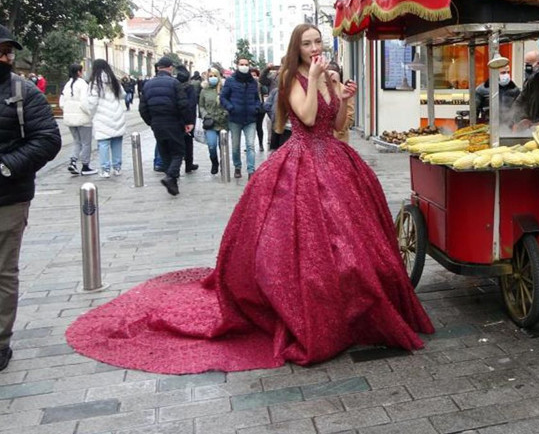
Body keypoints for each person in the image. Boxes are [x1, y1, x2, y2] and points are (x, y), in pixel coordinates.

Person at [65, 23, 433, 374]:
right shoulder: (293, 78)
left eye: (318, 41)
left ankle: (352, 308)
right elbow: (303, 118)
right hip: (302, 160)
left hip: (335, 159)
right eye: (307, 43)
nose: (314, 48)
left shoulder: (328, 77)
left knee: (350, 240)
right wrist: (319, 79)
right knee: (306, 240)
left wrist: (342, 98)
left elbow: (335, 127)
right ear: (296, 49)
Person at [0, 24, 61, 371]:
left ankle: (0, 342)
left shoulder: (22, 93)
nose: (5, 57)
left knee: (2, 272)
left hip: (8, 197)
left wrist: (6, 166)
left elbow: (48, 139)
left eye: (8, 51)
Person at [139, 56, 189, 195]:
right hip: (173, 121)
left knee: (165, 152)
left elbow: (142, 108)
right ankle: (170, 177)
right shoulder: (174, 83)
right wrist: (187, 121)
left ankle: (172, 182)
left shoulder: (147, 85)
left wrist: (151, 121)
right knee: (178, 152)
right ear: (170, 67)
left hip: (157, 123)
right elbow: (183, 104)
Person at [220, 57, 261, 179]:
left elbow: (256, 99)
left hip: (250, 118)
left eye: (246, 64)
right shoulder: (230, 81)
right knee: (235, 146)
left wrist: (256, 108)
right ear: (237, 65)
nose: (244, 66)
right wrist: (231, 107)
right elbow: (223, 98)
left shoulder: (253, 82)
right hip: (235, 118)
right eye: (241, 64)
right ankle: (237, 167)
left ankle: (251, 170)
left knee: (250, 145)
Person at [85, 59, 127, 178]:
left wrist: (91, 114)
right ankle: (117, 167)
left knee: (103, 143)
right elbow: (122, 95)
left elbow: (92, 102)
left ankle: (105, 169)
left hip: (101, 115)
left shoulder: (94, 83)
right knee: (116, 141)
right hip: (117, 114)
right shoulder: (114, 80)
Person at [59, 64, 96, 176]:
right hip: (83, 118)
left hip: (70, 118)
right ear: (79, 72)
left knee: (77, 142)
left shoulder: (67, 85)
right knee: (86, 143)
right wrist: (90, 114)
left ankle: (73, 161)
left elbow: (62, 102)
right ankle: (85, 166)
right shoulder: (82, 84)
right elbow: (85, 102)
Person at [198, 67, 228, 174]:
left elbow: (228, 103)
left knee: (223, 145)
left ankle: (224, 164)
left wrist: (225, 113)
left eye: (215, 76)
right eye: (210, 76)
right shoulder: (204, 91)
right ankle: (214, 162)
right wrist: (205, 115)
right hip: (210, 122)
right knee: (212, 145)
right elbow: (201, 106)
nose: (213, 78)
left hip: (223, 122)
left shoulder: (224, 89)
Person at [175, 65, 199, 173]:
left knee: (177, 143)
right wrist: (190, 121)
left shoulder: (174, 86)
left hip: (176, 119)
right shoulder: (190, 87)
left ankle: (176, 167)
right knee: (188, 142)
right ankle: (188, 164)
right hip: (188, 119)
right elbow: (192, 105)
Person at [327, 61, 355, 143]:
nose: (331, 75)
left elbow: (349, 115)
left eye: (333, 72)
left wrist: (337, 133)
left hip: (339, 140)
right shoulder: (320, 88)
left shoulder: (344, 90)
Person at [251, 67, 267, 151]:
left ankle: (261, 144)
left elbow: (265, 90)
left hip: (260, 108)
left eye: (255, 75)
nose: (253, 76)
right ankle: (250, 145)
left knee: (259, 127)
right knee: (250, 127)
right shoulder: (247, 84)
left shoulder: (259, 84)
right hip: (250, 108)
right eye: (252, 75)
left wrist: (260, 83)